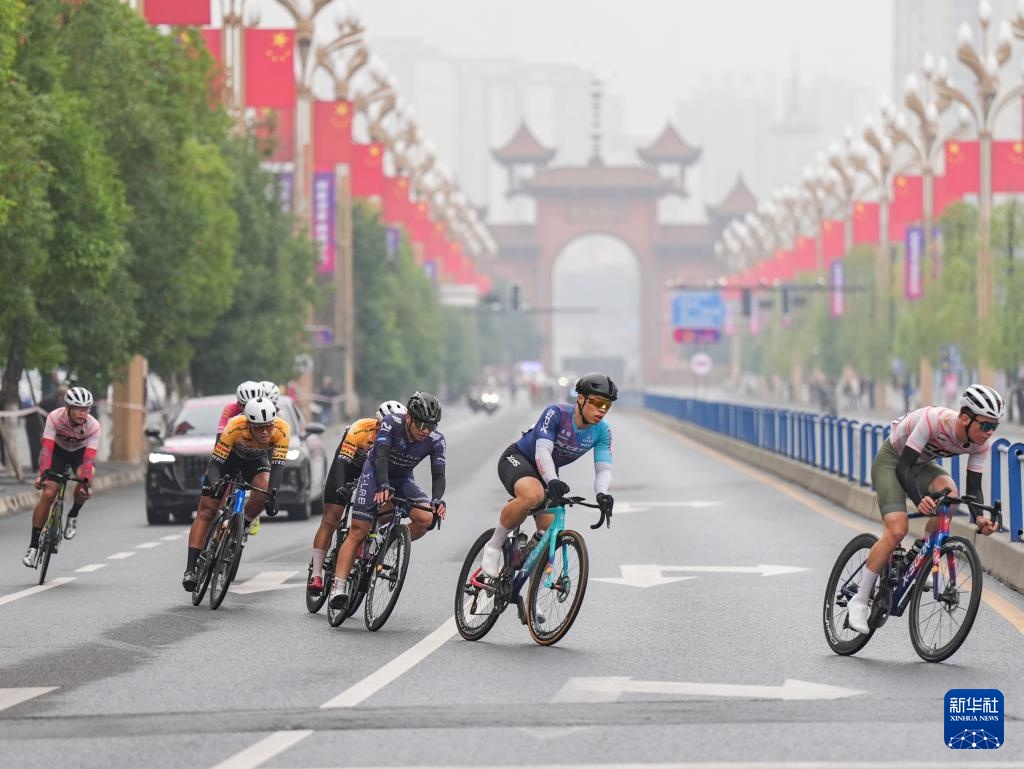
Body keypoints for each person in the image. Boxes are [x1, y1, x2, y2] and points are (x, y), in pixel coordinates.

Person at [846, 384, 1003, 634]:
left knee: (951, 495)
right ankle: (860, 600)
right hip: (893, 461)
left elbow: (973, 487)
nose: (990, 432)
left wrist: (980, 518)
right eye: (986, 425)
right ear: (965, 418)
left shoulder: (981, 444)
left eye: (995, 426)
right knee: (897, 530)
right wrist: (919, 499)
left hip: (920, 465)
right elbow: (903, 468)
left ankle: (922, 554)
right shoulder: (934, 421)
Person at [479, 372, 616, 578]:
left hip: (548, 470)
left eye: (607, 405)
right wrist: (552, 479)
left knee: (550, 535)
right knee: (533, 494)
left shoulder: (603, 431)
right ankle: (493, 546)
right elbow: (542, 451)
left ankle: (526, 590)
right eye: (597, 402)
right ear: (580, 399)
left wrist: (602, 494)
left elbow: (604, 469)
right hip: (520, 458)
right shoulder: (556, 413)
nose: (602, 409)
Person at [328, 391, 447, 609]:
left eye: (432, 426)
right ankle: (339, 586)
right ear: (409, 418)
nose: (426, 431)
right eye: (421, 425)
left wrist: (438, 500)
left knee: (426, 518)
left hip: (403, 479)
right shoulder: (392, 423)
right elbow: (381, 456)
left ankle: (387, 540)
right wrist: (383, 484)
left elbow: (438, 475)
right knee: (359, 531)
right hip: (374, 474)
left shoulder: (436, 440)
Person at [181, 397, 290, 592]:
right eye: (259, 428)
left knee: (264, 488)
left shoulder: (282, 429)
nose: (265, 432)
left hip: (256, 461)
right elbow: (215, 463)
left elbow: (278, 466)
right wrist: (215, 483)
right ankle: (190, 569)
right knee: (207, 511)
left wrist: (273, 495)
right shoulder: (234, 426)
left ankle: (243, 525)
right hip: (228, 460)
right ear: (248, 424)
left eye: (268, 426)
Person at [306, 399, 407, 592]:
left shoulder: (401, 439)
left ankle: (369, 539)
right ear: (377, 423)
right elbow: (341, 462)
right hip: (349, 468)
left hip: (375, 474)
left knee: (387, 505)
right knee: (331, 518)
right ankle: (316, 574)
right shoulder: (360, 429)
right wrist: (341, 487)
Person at [23, 387, 101, 566]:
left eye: (86, 408)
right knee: (49, 493)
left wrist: (86, 483)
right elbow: (47, 448)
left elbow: (89, 457)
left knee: (85, 478)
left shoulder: (93, 426)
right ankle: (33, 546)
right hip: (57, 452)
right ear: (67, 407)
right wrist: (43, 474)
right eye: (78, 408)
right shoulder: (55, 417)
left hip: (80, 455)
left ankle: (73, 515)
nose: (83, 413)